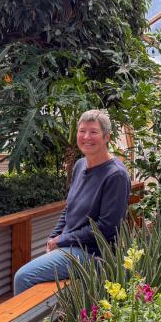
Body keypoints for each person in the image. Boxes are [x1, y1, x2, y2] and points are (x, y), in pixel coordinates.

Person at [13, 110, 131, 295]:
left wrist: (62, 240)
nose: (86, 137)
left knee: (23, 277)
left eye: (93, 132)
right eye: (82, 131)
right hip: (71, 245)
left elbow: (107, 228)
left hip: (94, 253)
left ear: (106, 137)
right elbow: (69, 209)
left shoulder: (116, 175)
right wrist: (53, 238)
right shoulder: (80, 165)